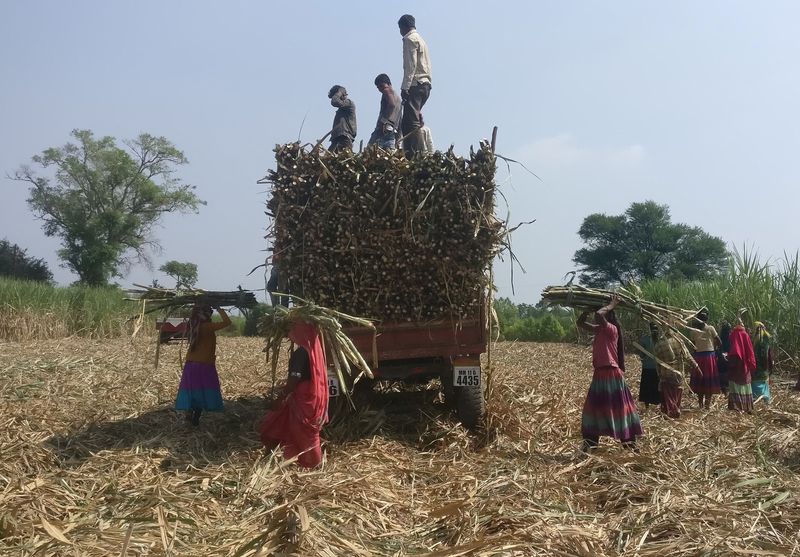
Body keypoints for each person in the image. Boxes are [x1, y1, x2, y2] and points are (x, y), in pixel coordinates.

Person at [577, 295, 643, 451]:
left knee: (619, 410)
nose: (600, 318)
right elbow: (579, 323)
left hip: (611, 374)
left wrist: (612, 304)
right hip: (600, 375)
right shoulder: (599, 330)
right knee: (593, 410)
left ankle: (630, 445)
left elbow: (599, 315)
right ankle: (590, 444)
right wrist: (586, 310)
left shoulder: (612, 330)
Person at [260, 321, 329, 468]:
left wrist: (281, 397)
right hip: (310, 397)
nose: (290, 333)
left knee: (307, 435)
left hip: (303, 400)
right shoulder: (315, 351)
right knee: (278, 423)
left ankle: (315, 465)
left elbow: (293, 380)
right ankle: (268, 458)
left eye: (293, 330)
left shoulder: (301, 353)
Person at [175, 305, 231, 425]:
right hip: (204, 365)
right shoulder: (207, 327)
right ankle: (195, 418)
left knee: (192, 391)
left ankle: (190, 414)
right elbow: (227, 322)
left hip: (191, 365)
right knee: (202, 391)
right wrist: (219, 308)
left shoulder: (193, 325)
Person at [398, 14, 432, 157]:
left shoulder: (409, 39)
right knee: (412, 120)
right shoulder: (421, 40)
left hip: (415, 84)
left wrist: (405, 87)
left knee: (410, 124)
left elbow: (410, 65)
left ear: (403, 27)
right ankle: (415, 153)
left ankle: (415, 156)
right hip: (426, 84)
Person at [654, 327, 695, 419]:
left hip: (666, 374)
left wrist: (659, 373)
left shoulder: (659, 344)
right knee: (677, 394)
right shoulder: (679, 341)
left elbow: (657, 362)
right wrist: (696, 366)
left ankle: (673, 411)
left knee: (668, 395)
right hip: (679, 373)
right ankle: (675, 410)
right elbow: (687, 356)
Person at [689, 309, 722, 408]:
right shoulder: (710, 328)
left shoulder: (693, 331)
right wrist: (715, 349)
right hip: (709, 357)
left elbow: (693, 345)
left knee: (700, 380)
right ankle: (707, 405)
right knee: (709, 380)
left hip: (699, 357)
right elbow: (719, 341)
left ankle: (700, 404)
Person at [727, 318, 756, 412]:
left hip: (734, 363)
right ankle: (747, 407)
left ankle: (736, 406)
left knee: (734, 384)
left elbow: (731, 348)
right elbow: (750, 350)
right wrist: (751, 363)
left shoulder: (732, 334)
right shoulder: (745, 334)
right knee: (745, 384)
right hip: (744, 365)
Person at [368, 74, 401, 150]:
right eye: (378, 87)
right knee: (388, 154)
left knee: (369, 152)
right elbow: (400, 118)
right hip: (392, 130)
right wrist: (399, 136)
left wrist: (383, 121)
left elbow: (391, 105)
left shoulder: (387, 91)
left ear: (389, 84)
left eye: (382, 86)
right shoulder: (398, 98)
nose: (380, 89)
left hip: (383, 128)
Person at [637, 322, 662, 410]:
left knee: (652, 387)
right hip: (652, 368)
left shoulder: (658, 340)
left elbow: (641, 355)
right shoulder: (658, 340)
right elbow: (642, 355)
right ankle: (650, 406)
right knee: (651, 387)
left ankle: (652, 406)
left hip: (654, 368)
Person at [751, 321, 775, 404]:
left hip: (755, 369)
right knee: (763, 383)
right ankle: (765, 400)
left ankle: (755, 400)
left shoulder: (754, 340)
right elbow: (766, 355)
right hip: (763, 370)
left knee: (755, 384)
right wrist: (768, 367)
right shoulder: (765, 339)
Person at [328, 85, 357, 152]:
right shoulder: (341, 109)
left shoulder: (349, 104)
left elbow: (335, 102)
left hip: (344, 138)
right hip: (337, 139)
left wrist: (339, 92)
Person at [716, 321, 731, 394]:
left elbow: (718, 347)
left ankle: (724, 389)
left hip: (721, 358)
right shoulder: (730, 337)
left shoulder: (721, 337)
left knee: (722, 372)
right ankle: (726, 389)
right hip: (728, 358)